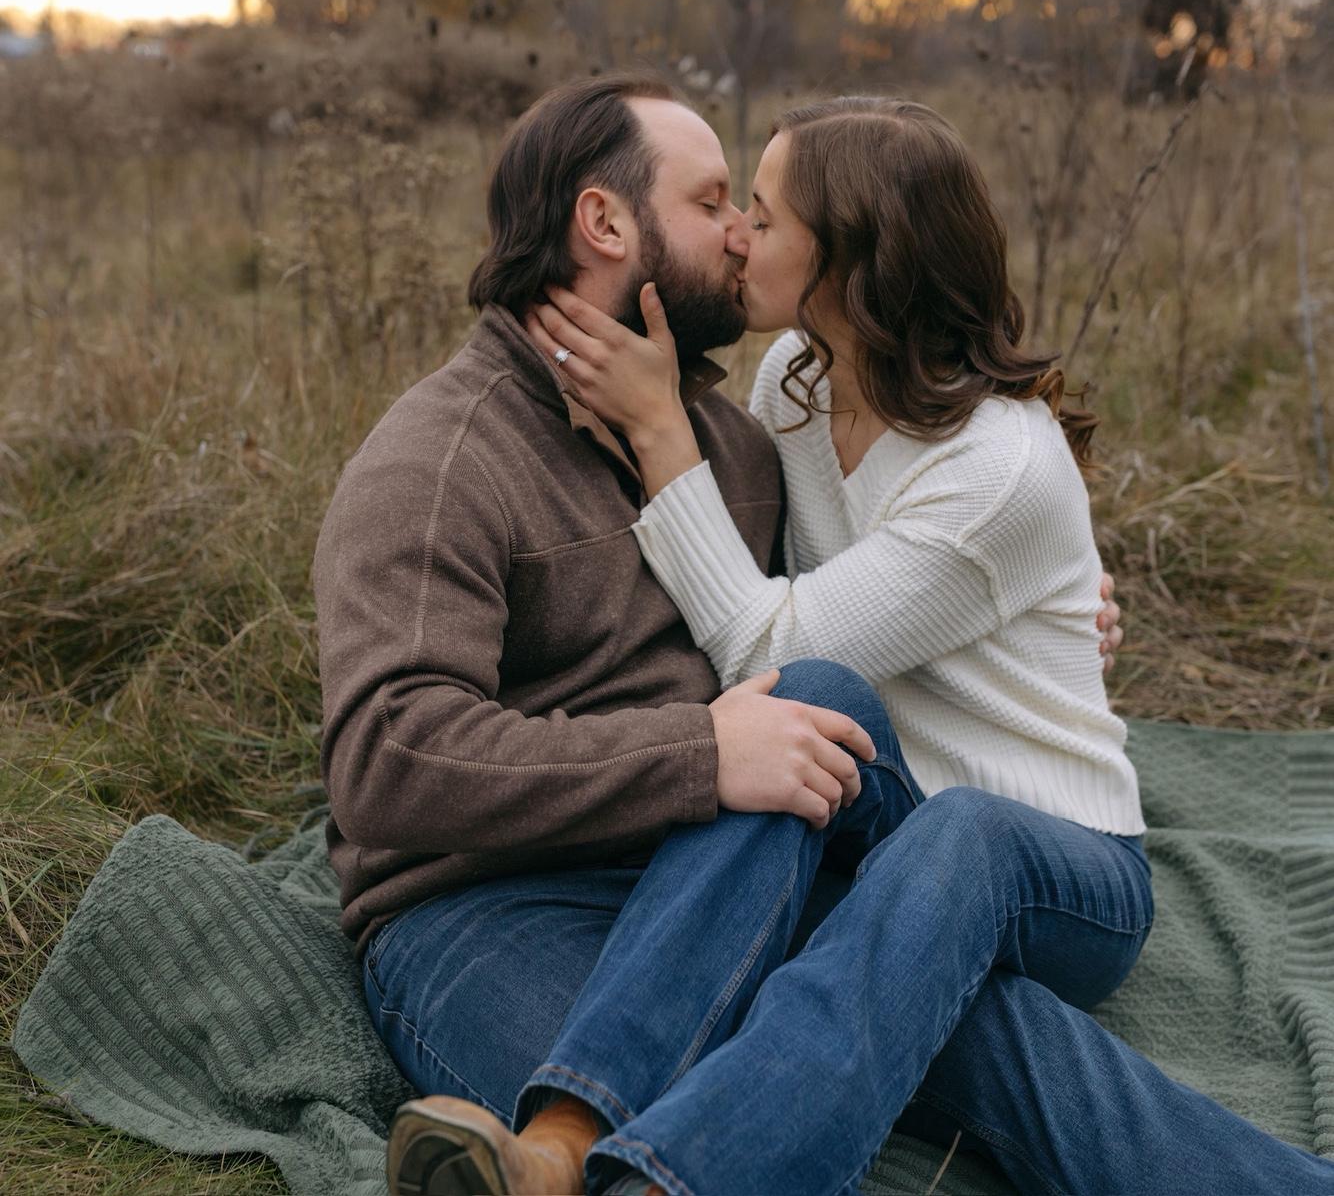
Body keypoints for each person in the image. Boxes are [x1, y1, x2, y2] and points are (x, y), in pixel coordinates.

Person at [312, 74, 1330, 1195]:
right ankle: (585, 1148)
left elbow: (823, 614)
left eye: (755, 208)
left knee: (942, 968)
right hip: (489, 899)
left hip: (709, 863)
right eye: (714, 201)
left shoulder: (725, 434)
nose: (740, 234)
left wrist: (1048, 594)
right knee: (823, 969)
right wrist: (702, 752)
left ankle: (587, 1160)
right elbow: (385, 759)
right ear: (605, 223)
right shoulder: (447, 459)